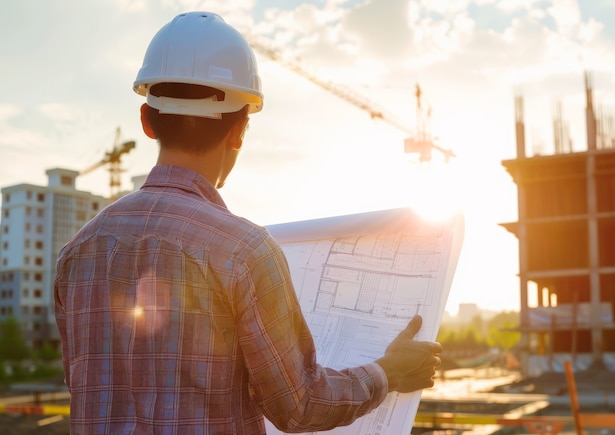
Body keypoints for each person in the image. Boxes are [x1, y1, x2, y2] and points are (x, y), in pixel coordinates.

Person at [54, 11, 443, 434]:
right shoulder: (244, 250)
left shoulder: (77, 253)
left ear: (147, 121)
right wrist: (387, 373)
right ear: (240, 130)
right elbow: (300, 406)